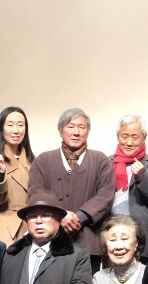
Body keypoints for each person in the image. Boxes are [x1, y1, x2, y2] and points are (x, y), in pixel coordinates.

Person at [29, 109, 115, 258]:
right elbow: (36, 194)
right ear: (60, 131)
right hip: (51, 240)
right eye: (70, 127)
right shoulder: (43, 160)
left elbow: (106, 195)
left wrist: (79, 217)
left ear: (88, 131)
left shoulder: (100, 160)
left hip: (89, 242)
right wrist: (60, 215)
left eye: (81, 127)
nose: (76, 132)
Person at [0, 106, 35, 245]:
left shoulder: (33, 160)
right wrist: (0, 174)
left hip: (30, 226)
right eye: (10, 125)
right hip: (2, 226)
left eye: (20, 125)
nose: (16, 130)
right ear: (1, 128)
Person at [110, 115, 148, 246]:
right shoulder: (107, 164)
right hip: (112, 232)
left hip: (143, 234)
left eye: (134, 137)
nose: (129, 143)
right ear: (118, 136)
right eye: (124, 136)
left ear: (144, 138)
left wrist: (142, 178)